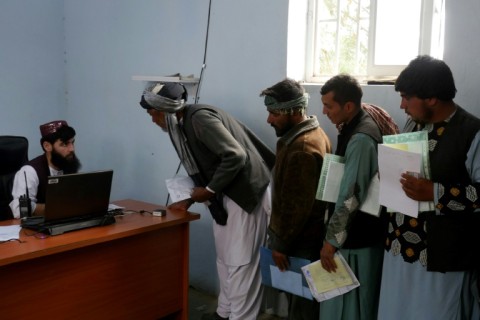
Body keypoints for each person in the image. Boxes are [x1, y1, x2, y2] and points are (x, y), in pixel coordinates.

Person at [138, 82, 275, 320]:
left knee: (241, 263)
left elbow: (235, 155)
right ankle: (225, 313)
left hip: (245, 195)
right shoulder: (183, 124)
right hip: (225, 196)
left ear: (166, 110)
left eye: (153, 114)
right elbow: (208, 164)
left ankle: (242, 316)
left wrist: (209, 190)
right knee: (225, 258)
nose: (153, 121)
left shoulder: (199, 119)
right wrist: (191, 198)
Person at [378, 55, 480, 319]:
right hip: (400, 249)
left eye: (406, 97)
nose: (401, 105)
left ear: (432, 98)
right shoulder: (414, 124)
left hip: (441, 259)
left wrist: (435, 193)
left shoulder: (471, 133)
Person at [319, 74, 397, 319]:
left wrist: (331, 241)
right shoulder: (355, 125)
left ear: (348, 106)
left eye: (329, 106)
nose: (324, 111)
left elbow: (351, 195)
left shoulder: (361, 137)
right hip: (354, 235)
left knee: (352, 307)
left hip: (358, 238)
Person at [260, 78, 331, 320]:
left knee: (302, 306)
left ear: (294, 111)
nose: (269, 119)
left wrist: (280, 245)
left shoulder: (301, 148)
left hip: (299, 242)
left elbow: (295, 207)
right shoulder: (314, 133)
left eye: (274, 113)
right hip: (307, 238)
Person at [9, 120, 81, 219]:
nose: (71, 149)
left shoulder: (68, 164)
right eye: (64, 144)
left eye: (72, 142)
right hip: (35, 231)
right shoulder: (29, 171)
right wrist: (58, 208)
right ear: (47, 146)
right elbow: (20, 210)